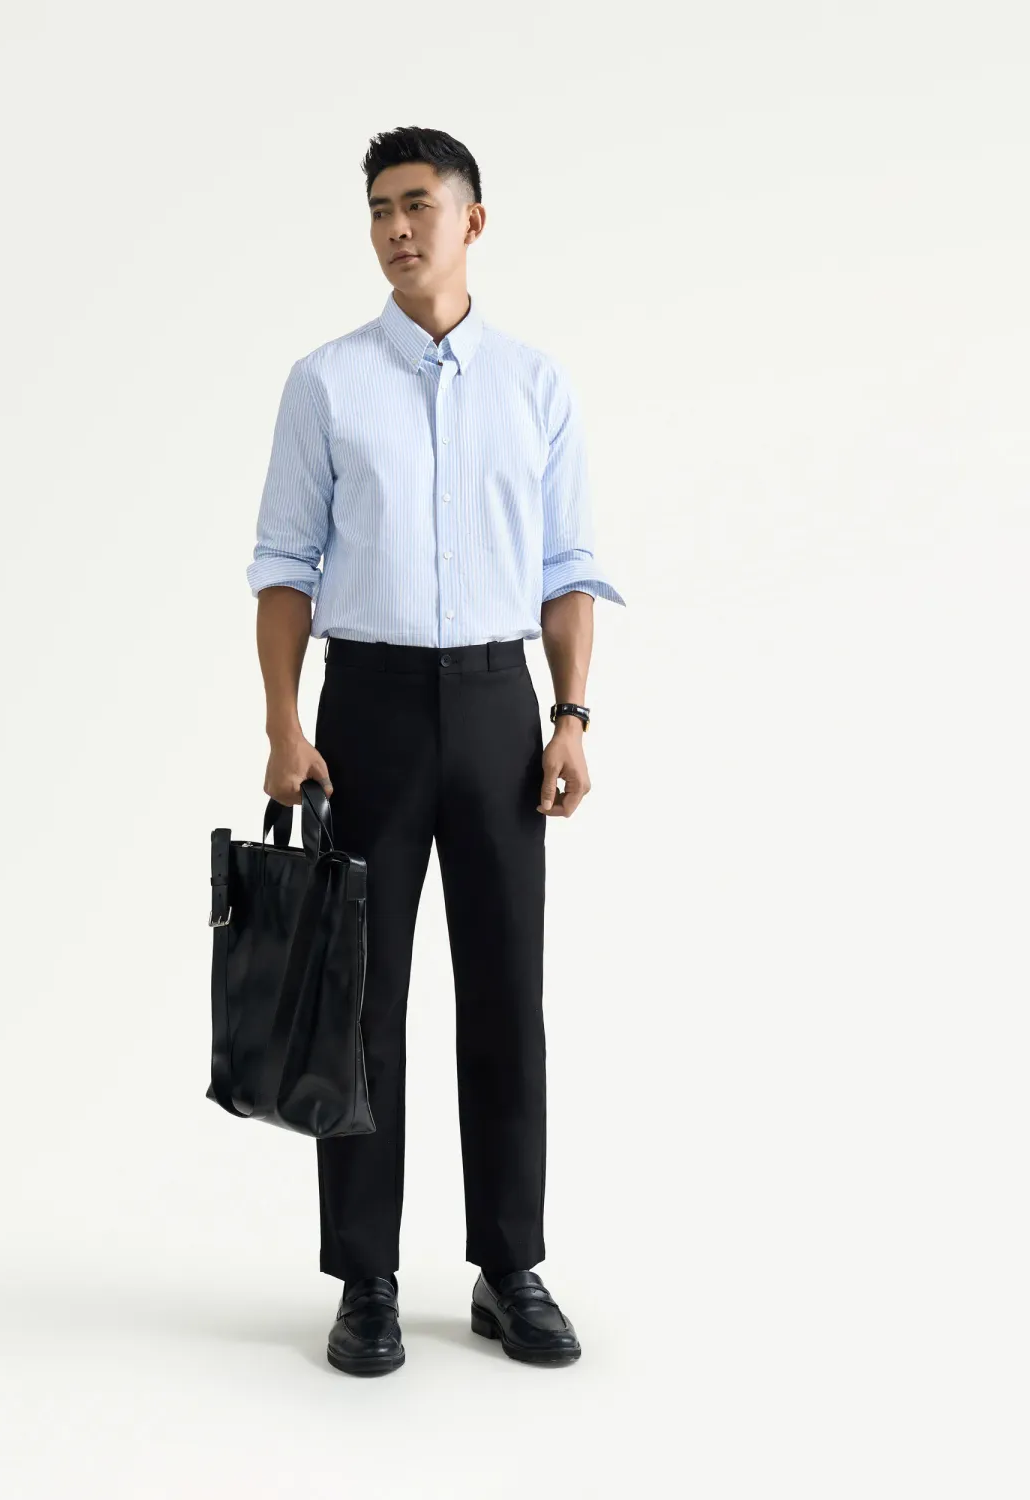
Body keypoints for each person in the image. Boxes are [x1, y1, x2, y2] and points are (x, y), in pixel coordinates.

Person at [247, 126, 625, 1376]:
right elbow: (284, 568)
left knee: (507, 995)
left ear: (474, 219)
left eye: (418, 203)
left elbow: (568, 568)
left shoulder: (535, 385)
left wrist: (570, 717)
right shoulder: (326, 384)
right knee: (361, 1004)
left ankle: (510, 1269)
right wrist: (285, 722)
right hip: (366, 712)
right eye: (378, 210)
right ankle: (365, 1279)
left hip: (501, 709)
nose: (397, 228)